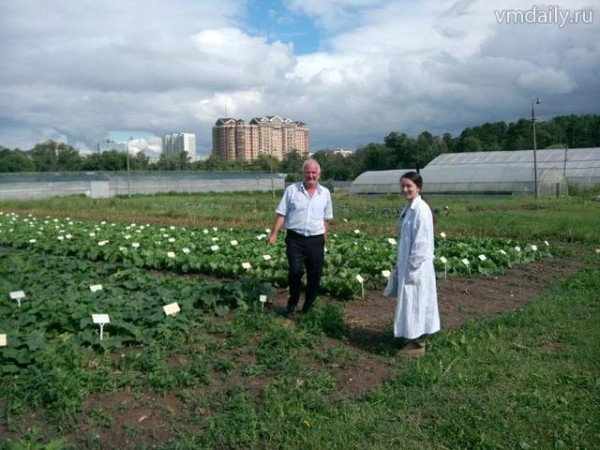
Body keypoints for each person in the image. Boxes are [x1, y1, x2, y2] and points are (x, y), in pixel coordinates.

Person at [268, 159, 333, 315]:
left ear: (319, 174)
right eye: (307, 172)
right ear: (302, 173)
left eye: (313, 172)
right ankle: (293, 301)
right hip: (295, 239)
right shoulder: (292, 190)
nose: (311, 175)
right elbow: (281, 213)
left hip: (315, 240)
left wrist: (324, 240)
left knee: (314, 274)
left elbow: (326, 219)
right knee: (295, 271)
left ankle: (308, 305)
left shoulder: (325, 193)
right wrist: (274, 234)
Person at [391, 171, 440, 357]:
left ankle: (418, 344)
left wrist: (412, 268)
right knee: (411, 303)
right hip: (409, 265)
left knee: (417, 303)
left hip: (417, 268)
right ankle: (410, 338)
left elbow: (421, 244)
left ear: (418, 188)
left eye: (409, 186)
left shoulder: (421, 210)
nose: (405, 189)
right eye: (403, 186)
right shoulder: (409, 208)